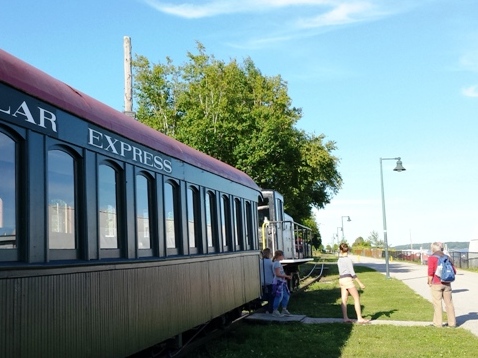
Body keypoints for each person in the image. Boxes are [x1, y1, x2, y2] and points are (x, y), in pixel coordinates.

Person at [337, 243, 370, 324]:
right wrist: (360, 283)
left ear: (340, 250)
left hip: (341, 279)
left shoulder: (339, 260)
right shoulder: (348, 260)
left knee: (344, 300)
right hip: (348, 279)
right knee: (356, 298)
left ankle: (345, 318)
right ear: (348, 250)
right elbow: (352, 273)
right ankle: (359, 318)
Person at [427, 242, 456, 328]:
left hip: (436, 283)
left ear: (433, 249)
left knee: (437, 303)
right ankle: (452, 323)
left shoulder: (432, 258)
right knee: (449, 303)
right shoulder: (447, 257)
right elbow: (454, 271)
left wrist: (429, 282)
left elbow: (430, 272)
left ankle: (438, 323)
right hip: (447, 283)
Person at [271, 250, 292, 317]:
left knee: (286, 295)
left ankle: (284, 309)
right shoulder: (277, 263)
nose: (283, 257)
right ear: (279, 255)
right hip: (278, 282)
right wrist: (287, 276)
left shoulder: (277, 263)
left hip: (282, 282)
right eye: (283, 255)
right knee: (279, 296)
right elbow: (277, 274)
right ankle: (275, 310)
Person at [259, 248, 275, 314]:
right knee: (271, 297)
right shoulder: (271, 262)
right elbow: (274, 273)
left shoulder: (260, 261)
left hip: (262, 282)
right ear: (269, 254)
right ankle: (270, 310)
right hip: (270, 281)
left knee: (264, 296)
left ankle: (264, 309)